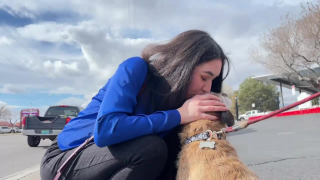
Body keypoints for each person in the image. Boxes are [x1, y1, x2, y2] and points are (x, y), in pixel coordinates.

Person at [40, 29, 230, 180]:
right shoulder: (136, 68)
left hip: (117, 161)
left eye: (212, 82)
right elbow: (106, 130)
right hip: (65, 159)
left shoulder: (178, 103)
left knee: (169, 156)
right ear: (183, 65)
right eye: (205, 77)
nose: (207, 88)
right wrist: (179, 114)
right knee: (152, 148)